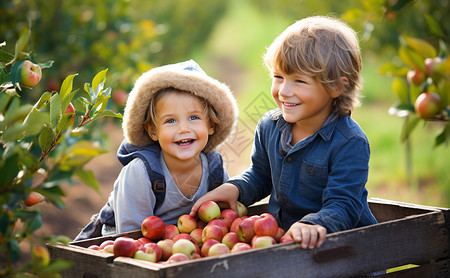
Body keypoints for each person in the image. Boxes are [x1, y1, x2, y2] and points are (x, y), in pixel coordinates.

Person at [190, 16, 378, 249]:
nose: (284, 91)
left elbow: (343, 205)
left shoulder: (349, 142)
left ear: (336, 86)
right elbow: (261, 175)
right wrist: (236, 188)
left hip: (342, 251)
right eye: (278, 77)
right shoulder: (270, 126)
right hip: (283, 242)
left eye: (299, 81)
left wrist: (313, 224)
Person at [74, 60, 238, 240]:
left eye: (193, 117)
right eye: (170, 121)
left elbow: (223, 221)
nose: (183, 129)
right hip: (130, 248)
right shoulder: (141, 174)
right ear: (153, 131)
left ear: (211, 126)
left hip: (184, 248)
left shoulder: (214, 169)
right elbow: (130, 238)